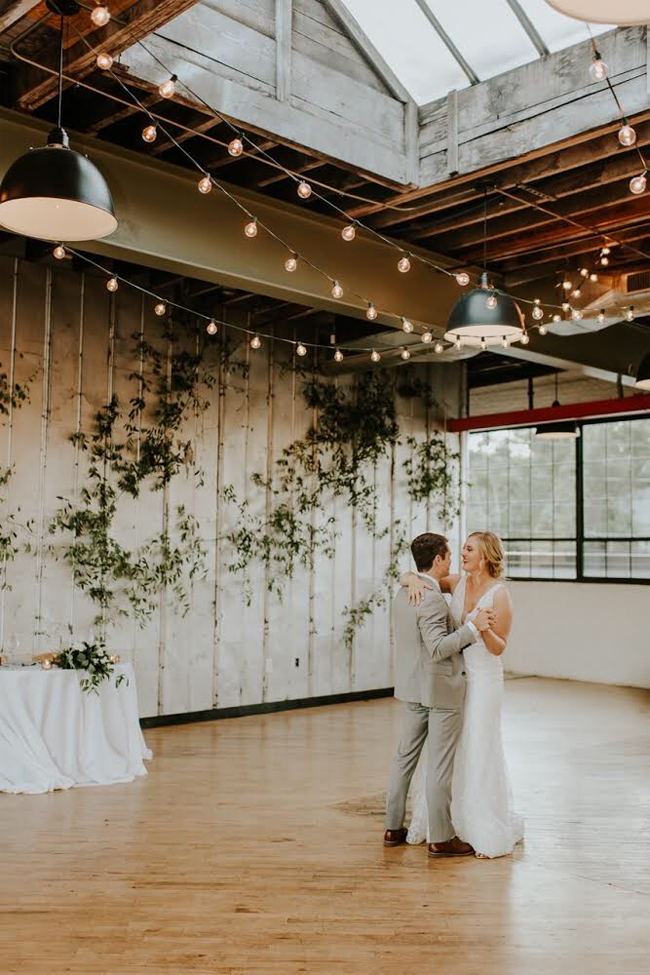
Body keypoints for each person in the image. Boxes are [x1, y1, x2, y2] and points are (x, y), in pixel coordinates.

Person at [402, 531, 524, 858]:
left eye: (469, 549)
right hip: (458, 678)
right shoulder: (456, 583)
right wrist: (411, 579)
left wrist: (483, 630)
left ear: (484, 556)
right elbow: (421, 576)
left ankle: (482, 824)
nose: (463, 553)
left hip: (485, 679)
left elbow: (500, 647)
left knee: (480, 746)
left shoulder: (500, 595)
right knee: (454, 750)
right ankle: (450, 822)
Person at [383, 532, 495, 858]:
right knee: (439, 767)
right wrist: (473, 629)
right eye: (448, 555)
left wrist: (408, 577)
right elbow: (437, 648)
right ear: (437, 560)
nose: (451, 559)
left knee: (403, 759)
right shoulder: (430, 598)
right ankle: (442, 839)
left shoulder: (403, 592)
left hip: (413, 688)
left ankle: (393, 827)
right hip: (440, 688)